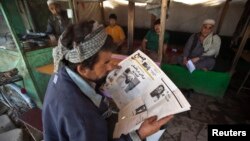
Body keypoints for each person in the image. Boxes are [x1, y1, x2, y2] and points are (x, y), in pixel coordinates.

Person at [42, 20, 173, 141]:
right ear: (82, 69)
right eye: (106, 62)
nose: (112, 66)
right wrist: (140, 134)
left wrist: (104, 72)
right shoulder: (83, 117)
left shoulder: (63, 68)